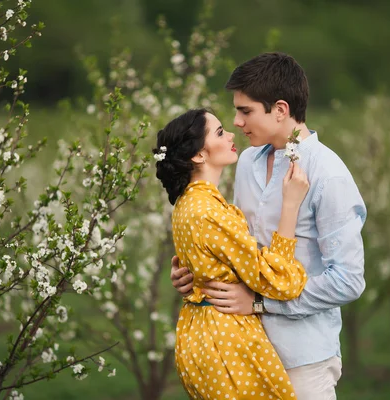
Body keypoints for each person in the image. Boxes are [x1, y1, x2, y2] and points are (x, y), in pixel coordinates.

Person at [170, 52, 367, 400]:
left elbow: (348, 281)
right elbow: (238, 247)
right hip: (243, 350)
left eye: (245, 111)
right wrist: (196, 273)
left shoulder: (328, 174)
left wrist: (261, 303)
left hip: (303, 357)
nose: (237, 121)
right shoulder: (246, 161)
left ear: (280, 109)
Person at [153, 108, 311, 399]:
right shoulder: (210, 213)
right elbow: (280, 280)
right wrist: (290, 205)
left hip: (198, 333)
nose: (231, 135)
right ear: (199, 155)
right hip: (227, 340)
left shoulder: (188, 203)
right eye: (219, 132)